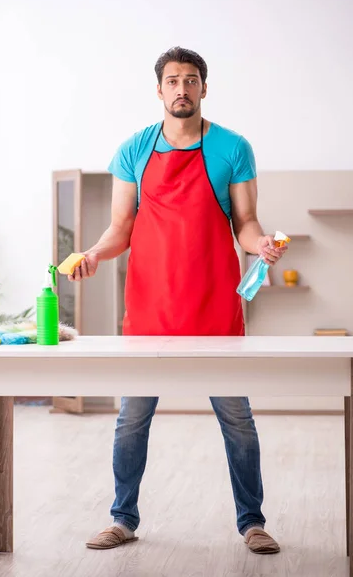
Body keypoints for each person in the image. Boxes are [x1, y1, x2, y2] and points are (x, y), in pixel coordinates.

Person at [70, 47, 287, 555]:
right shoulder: (134, 150)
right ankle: (122, 518)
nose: (182, 89)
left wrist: (260, 246)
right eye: (173, 80)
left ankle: (252, 523)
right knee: (131, 419)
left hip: (214, 308)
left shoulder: (233, 147)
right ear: (160, 90)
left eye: (191, 80)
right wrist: (96, 253)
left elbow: (246, 223)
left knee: (237, 418)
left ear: (204, 88)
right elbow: (121, 227)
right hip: (149, 310)